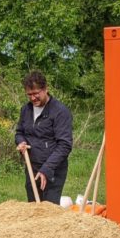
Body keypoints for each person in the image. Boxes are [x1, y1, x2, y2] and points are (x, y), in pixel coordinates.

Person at [14, 70, 73, 204]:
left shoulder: (60, 111)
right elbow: (19, 132)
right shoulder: (26, 109)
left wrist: (47, 169)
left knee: (49, 210)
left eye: (36, 93)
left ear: (45, 89)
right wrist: (21, 142)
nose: (33, 98)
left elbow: (65, 145)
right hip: (32, 166)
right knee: (34, 208)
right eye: (29, 95)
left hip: (52, 169)